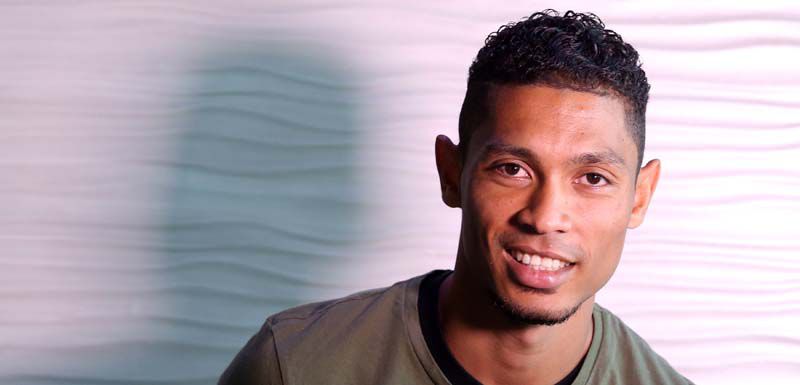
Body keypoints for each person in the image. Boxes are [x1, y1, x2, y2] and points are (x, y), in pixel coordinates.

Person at [219, 10, 693, 385]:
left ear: (639, 197)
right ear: (452, 174)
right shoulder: (293, 366)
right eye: (513, 169)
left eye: (592, 178)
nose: (546, 217)